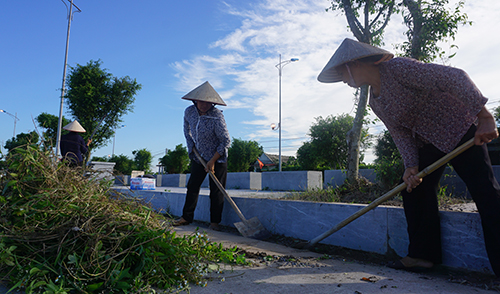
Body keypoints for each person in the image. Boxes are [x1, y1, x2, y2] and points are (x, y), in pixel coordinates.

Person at [318, 38, 500, 283]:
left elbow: (455, 77)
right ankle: (422, 256)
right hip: (427, 142)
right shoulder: (375, 101)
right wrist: (411, 166)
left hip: (459, 130)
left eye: (341, 71)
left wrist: (484, 116)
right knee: (414, 189)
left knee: (486, 193)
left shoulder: (398, 69)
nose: (341, 78)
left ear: (354, 63)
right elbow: (399, 132)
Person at [173, 81, 231, 231]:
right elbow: (186, 130)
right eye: (201, 101)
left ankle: (214, 222)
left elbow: (225, 140)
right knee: (192, 186)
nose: (204, 105)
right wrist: (191, 146)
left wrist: (212, 161)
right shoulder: (189, 112)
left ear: (212, 104)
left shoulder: (217, 116)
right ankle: (186, 217)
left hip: (218, 157)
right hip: (199, 156)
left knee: (216, 190)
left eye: (208, 102)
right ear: (195, 100)